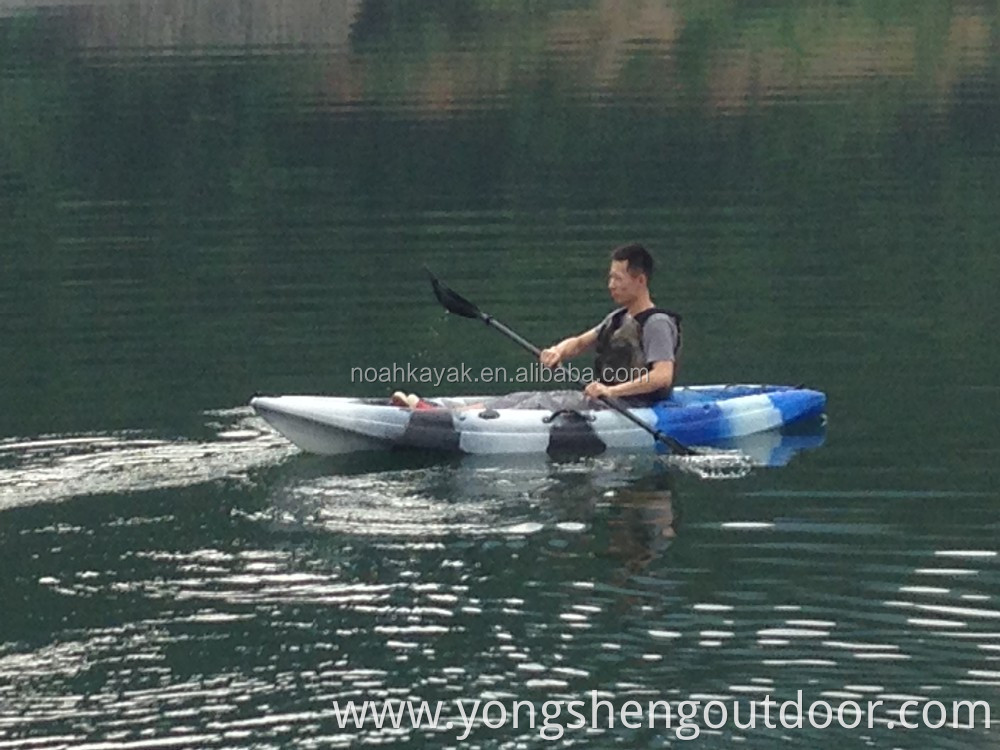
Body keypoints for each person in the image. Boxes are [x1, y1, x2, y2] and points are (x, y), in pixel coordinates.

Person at [393, 243, 681, 411]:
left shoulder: (656, 324)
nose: (611, 285)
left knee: (540, 403)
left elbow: (662, 378)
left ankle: (433, 415)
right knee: (521, 398)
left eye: (618, 279)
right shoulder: (617, 318)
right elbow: (580, 343)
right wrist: (557, 351)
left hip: (634, 408)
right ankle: (439, 412)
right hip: (605, 401)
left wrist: (611, 392)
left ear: (640, 280)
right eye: (610, 277)